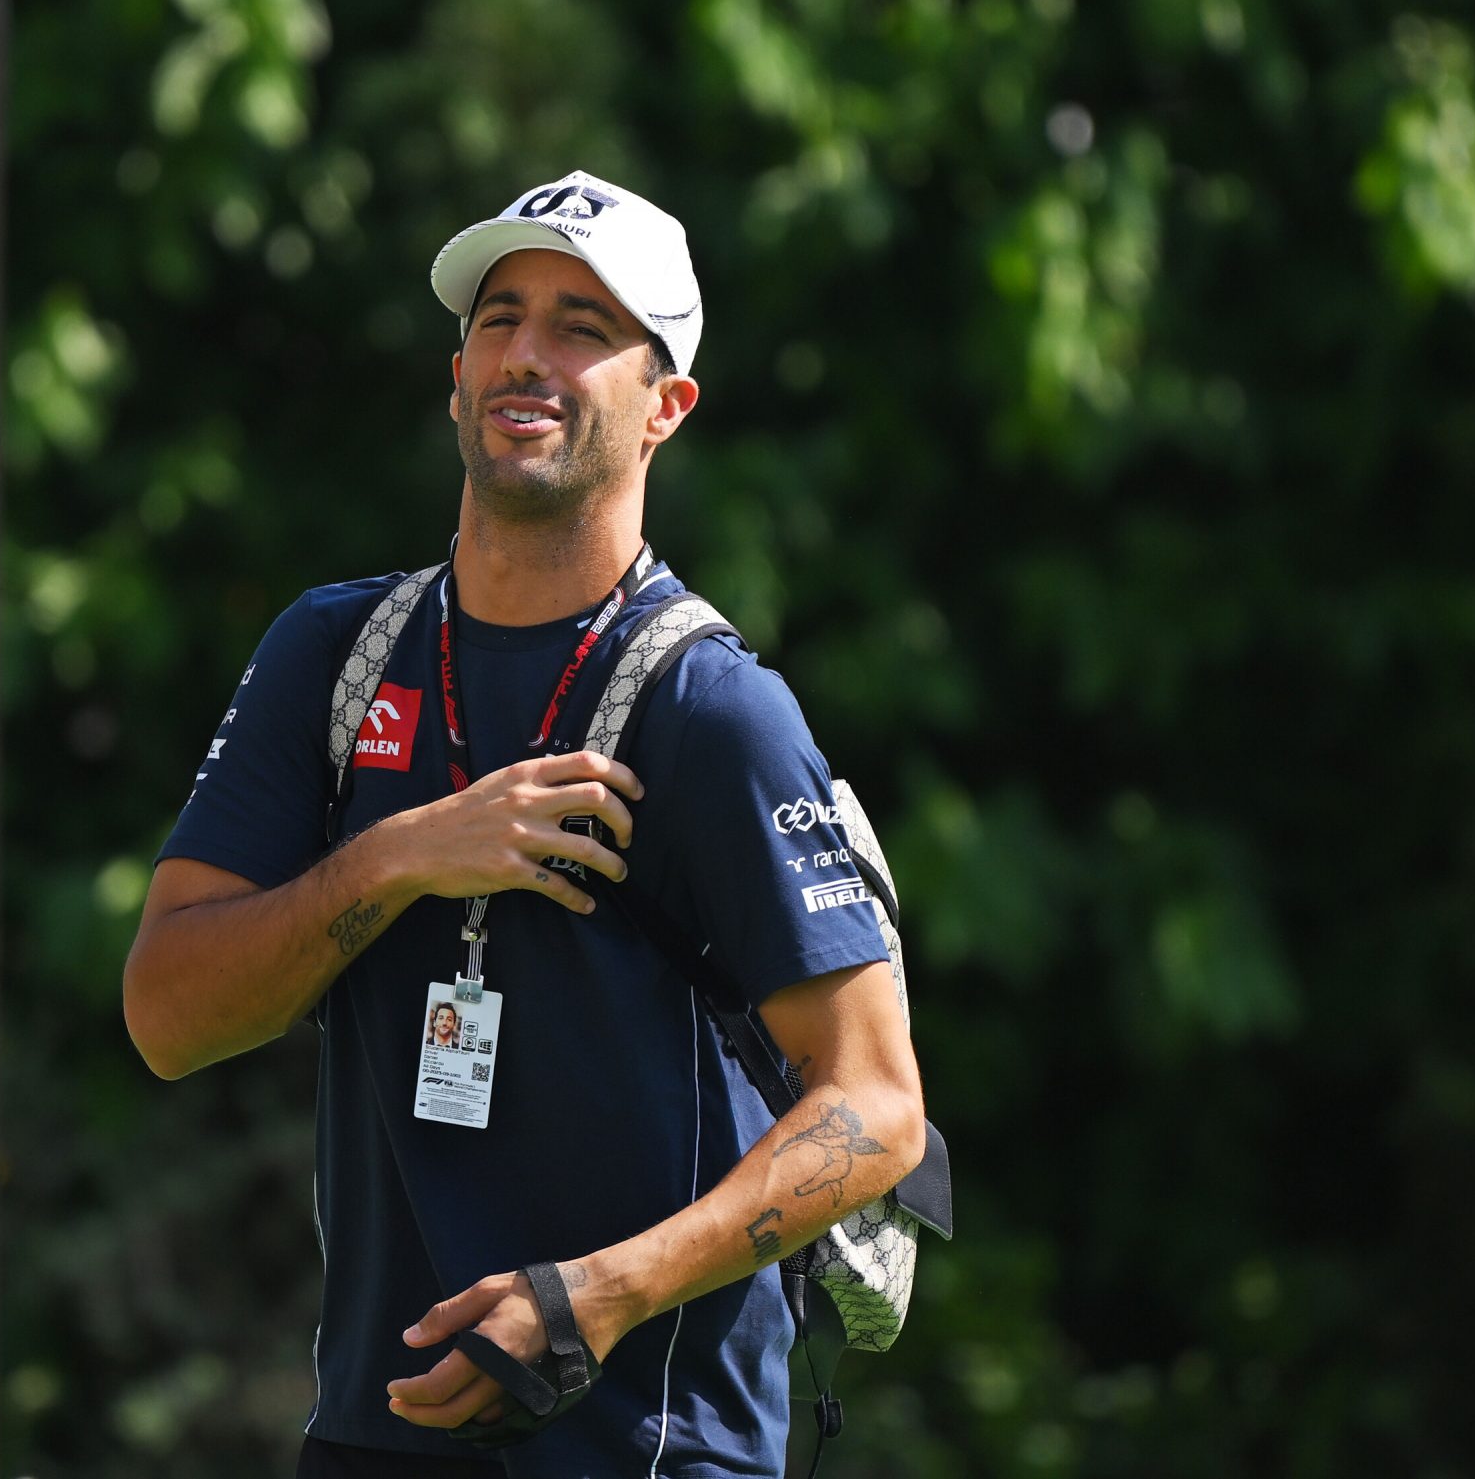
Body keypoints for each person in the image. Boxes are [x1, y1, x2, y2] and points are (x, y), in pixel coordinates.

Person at [123, 170, 927, 1477]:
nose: (527, 355)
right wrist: (402, 854)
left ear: (668, 405)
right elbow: (168, 1014)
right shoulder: (332, 654)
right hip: (373, 1437)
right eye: (501, 318)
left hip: (653, 1447)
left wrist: (601, 1292)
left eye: (582, 327)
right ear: (455, 377)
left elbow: (878, 1106)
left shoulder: (711, 707)